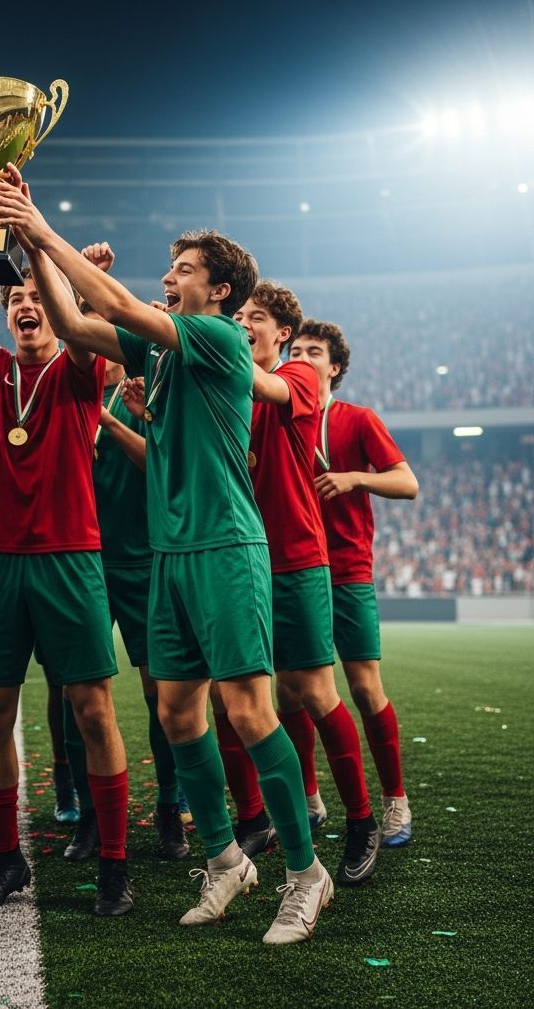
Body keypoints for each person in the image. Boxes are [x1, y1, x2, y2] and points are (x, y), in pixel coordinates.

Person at [0, 170, 331, 944]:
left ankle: (305, 876)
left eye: (183, 270)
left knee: (246, 709)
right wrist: (29, 249)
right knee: (178, 712)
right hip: (170, 552)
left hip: (225, 548)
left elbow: (110, 303)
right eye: (171, 269)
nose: (169, 276)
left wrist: (40, 226)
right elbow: (80, 329)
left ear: (218, 293)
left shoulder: (216, 339)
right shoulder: (162, 354)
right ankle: (223, 860)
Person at [0, 264, 133, 918]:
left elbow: (82, 325)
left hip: (69, 556)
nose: (27, 307)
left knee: (91, 710)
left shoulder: (80, 365)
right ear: (5, 314)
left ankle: (114, 864)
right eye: (16, 300)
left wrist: (34, 243)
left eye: (38, 298)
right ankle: (6, 859)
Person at [229, 283, 380, 888]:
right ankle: (259, 819)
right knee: (237, 698)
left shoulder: (297, 375)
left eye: (255, 318)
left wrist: (210, 341)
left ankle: (364, 819)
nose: (242, 325)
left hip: (295, 558)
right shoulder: (232, 382)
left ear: (282, 333)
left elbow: (255, 383)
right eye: (236, 317)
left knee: (316, 691)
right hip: (242, 559)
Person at [62, 243, 188, 863]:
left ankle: (171, 806)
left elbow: (159, 464)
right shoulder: (65, 388)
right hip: (82, 558)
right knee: (77, 690)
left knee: (160, 691)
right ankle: (86, 813)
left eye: (107, 328)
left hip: (141, 558)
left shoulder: (147, 388)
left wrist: (110, 425)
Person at [289, 319, 419, 846]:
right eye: (294, 348)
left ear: (335, 366)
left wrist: (355, 478)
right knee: (289, 693)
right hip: (295, 570)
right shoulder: (277, 413)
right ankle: (310, 799)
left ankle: (396, 803)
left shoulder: (356, 419)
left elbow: (407, 483)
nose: (301, 355)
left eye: (313, 350)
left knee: (365, 688)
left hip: (346, 572)